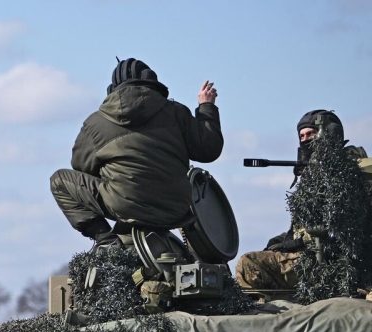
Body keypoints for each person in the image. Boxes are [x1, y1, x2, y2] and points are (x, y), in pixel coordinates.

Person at [50, 58, 224, 244]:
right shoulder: (177, 112)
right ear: (153, 82)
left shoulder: (96, 123)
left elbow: (80, 165)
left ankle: (105, 240)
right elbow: (209, 150)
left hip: (124, 206)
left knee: (59, 181)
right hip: (175, 209)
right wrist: (207, 107)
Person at [235, 110, 371, 290]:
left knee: (248, 264)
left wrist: (300, 242)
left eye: (311, 134)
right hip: (312, 254)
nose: (306, 140)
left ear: (329, 134)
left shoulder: (349, 175)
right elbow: (302, 227)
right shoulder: (315, 177)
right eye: (302, 136)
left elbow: (342, 225)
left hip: (330, 261)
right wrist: (283, 240)